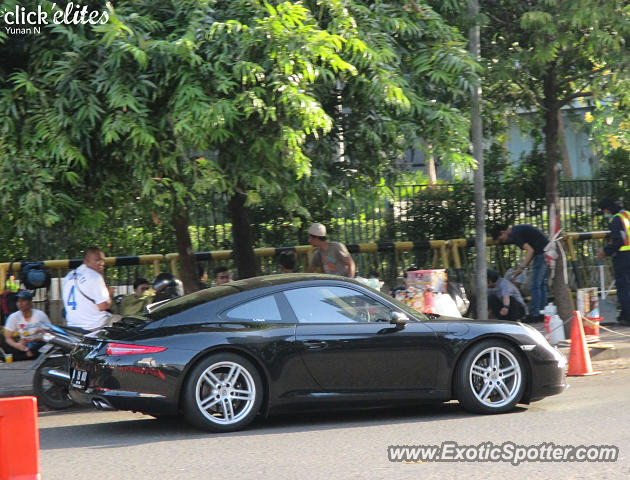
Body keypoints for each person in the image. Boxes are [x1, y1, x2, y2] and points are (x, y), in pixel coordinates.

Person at [492, 224, 549, 322]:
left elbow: (530, 250)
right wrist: (523, 267)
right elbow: (532, 249)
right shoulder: (517, 230)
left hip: (542, 254)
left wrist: (522, 268)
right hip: (546, 251)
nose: (503, 241)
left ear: (502, 232)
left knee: (535, 285)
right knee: (541, 285)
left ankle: (535, 314)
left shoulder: (515, 235)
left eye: (501, 239)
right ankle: (543, 313)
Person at [596, 198, 630, 325]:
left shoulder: (617, 219)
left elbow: (619, 241)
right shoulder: (628, 215)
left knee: (623, 286)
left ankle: (628, 317)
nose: (605, 213)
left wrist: (605, 251)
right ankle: (624, 313)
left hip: (624, 256)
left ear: (607, 209)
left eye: (604, 211)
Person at [62, 247, 112, 331]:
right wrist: (109, 294)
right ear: (87, 259)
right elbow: (103, 306)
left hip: (72, 326)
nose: (101, 263)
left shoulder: (69, 275)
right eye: (97, 260)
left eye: (103, 260)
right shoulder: (95, 276)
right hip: (94, 326)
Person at [3, 290, 49, 359]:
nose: (20, 304)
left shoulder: (40, 315)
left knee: (45, 346)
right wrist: (17, 345)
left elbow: (49, 335)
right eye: (18, 301)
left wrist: (33, 339)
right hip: (22, 344)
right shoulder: (13, 317)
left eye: (23, 301)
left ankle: (24, 355)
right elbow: (8, 337)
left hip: (36, 342)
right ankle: (28, 354)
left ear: (30, 303)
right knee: (5, 345)